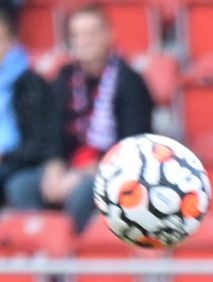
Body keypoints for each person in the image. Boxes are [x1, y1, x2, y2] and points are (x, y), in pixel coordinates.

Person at [44, 5, 153, 229]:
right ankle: (33, 249)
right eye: (77, 35)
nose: (84, 41)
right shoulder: (64, 78)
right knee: (22, 186)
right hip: (69, 164)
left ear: (109, 35)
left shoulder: (130, 82)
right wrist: (53, 168)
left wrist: (80, 174)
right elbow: (52, 130)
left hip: (112, 169)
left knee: (83, 192)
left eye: (91, 33)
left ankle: (71, 254)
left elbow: (132, 146)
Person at [0, 9, 63, 211]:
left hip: (20, 163)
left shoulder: (32, 84)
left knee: (20, 187)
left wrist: (6, 157)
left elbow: (39, 142)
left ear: (12, 39)